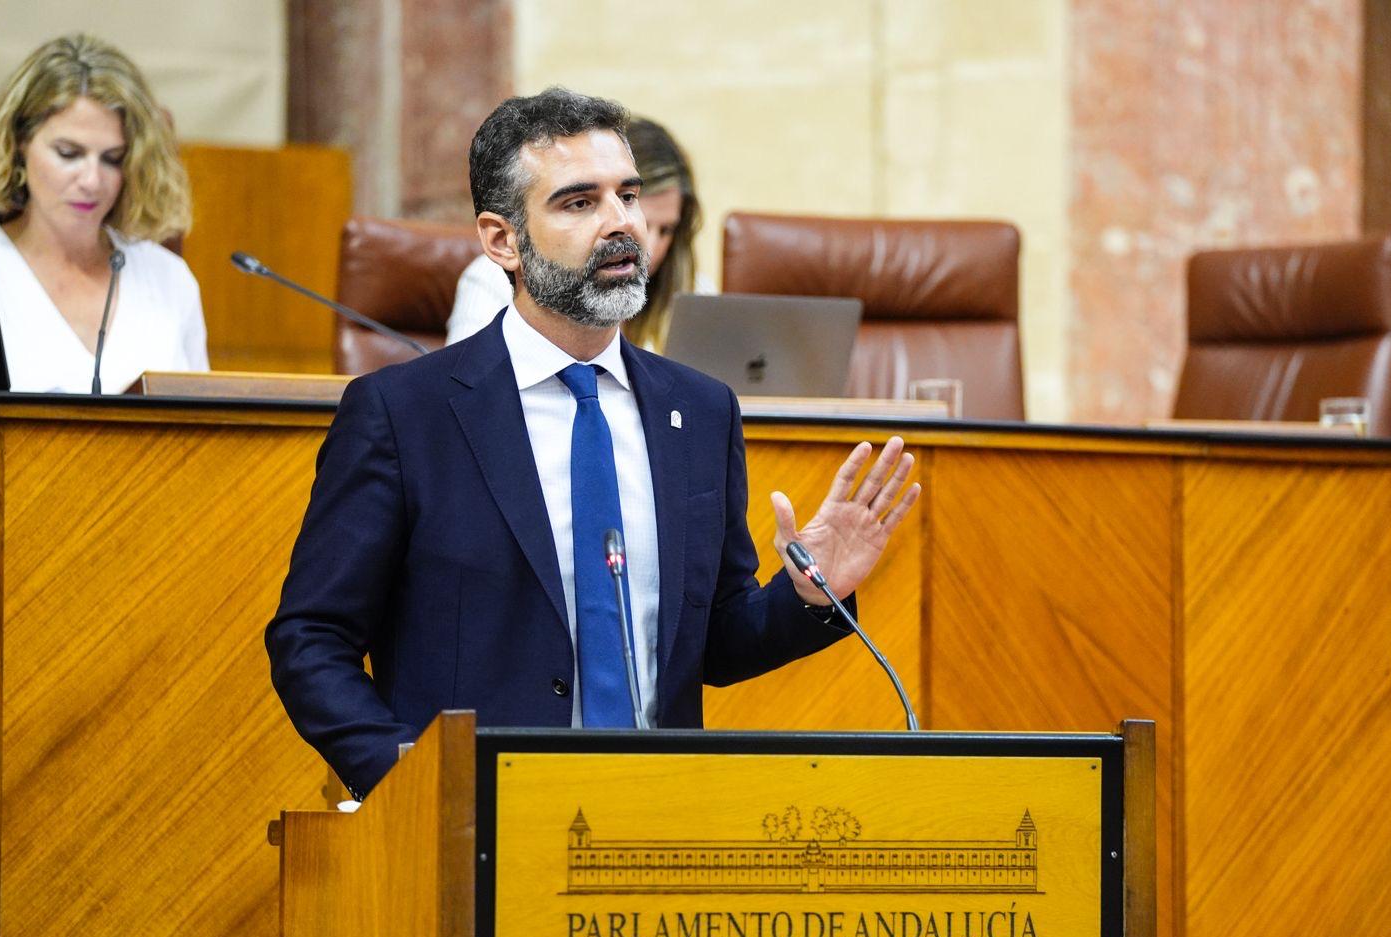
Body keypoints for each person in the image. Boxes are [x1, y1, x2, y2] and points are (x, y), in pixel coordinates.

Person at [266, 88, 920, 799]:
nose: (622, 225)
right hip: (469, 827)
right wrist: (413, 780)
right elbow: (311, 639)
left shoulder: (699, 411)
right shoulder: (404, 415)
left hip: (653, 820)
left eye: (629, 196)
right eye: (579, 203)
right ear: (501, 240)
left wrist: (808, 593)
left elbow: (717, 642)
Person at [0, 34, 207, 394]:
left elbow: (206, 436)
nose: (92, 181)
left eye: (112, 159)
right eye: (69, 153)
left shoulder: (168, 278)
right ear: (19, 143)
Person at [446, 117, 702, 352]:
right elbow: (463, 386)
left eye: (667, 230)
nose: (651, 248)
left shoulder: (693, 292)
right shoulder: (491, 279)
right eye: (580, 204)